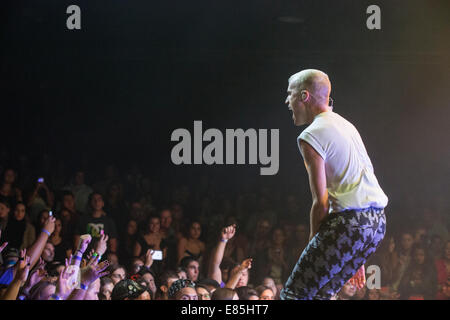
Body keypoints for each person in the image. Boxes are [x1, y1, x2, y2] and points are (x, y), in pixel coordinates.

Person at [281, 69, 388, 300]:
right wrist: (353, 251)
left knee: (293, 294)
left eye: (290, 94)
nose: (286, 101)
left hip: (350, 224)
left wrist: (314, 244)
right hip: (376, 224)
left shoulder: (311, 135)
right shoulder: (346, 124)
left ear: (304, 96)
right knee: (322, 294)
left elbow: (320, 201)